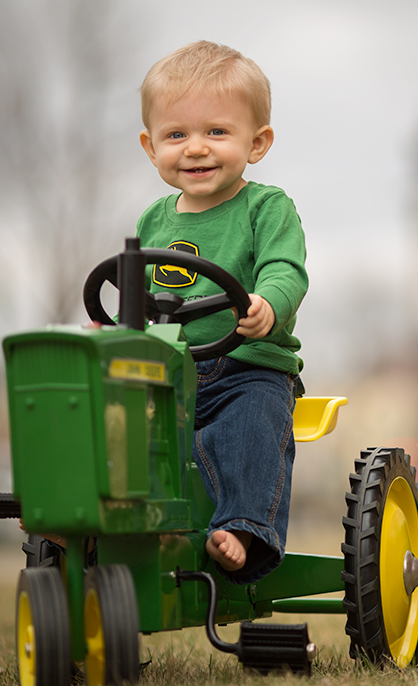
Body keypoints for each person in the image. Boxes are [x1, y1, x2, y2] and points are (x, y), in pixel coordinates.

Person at [136, 41, 307, 583]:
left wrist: (267, 304)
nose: (195, 149)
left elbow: (287, 270)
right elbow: (135, 299)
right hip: (171, 374)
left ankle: (244, 529)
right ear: (150, 145)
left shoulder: (266, 208)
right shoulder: (152, 222)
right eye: (176, 134)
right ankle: (130, 527)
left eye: (216, 132)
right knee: (120, 422)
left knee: (251, 426)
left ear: (256, 144)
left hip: (247, 365)